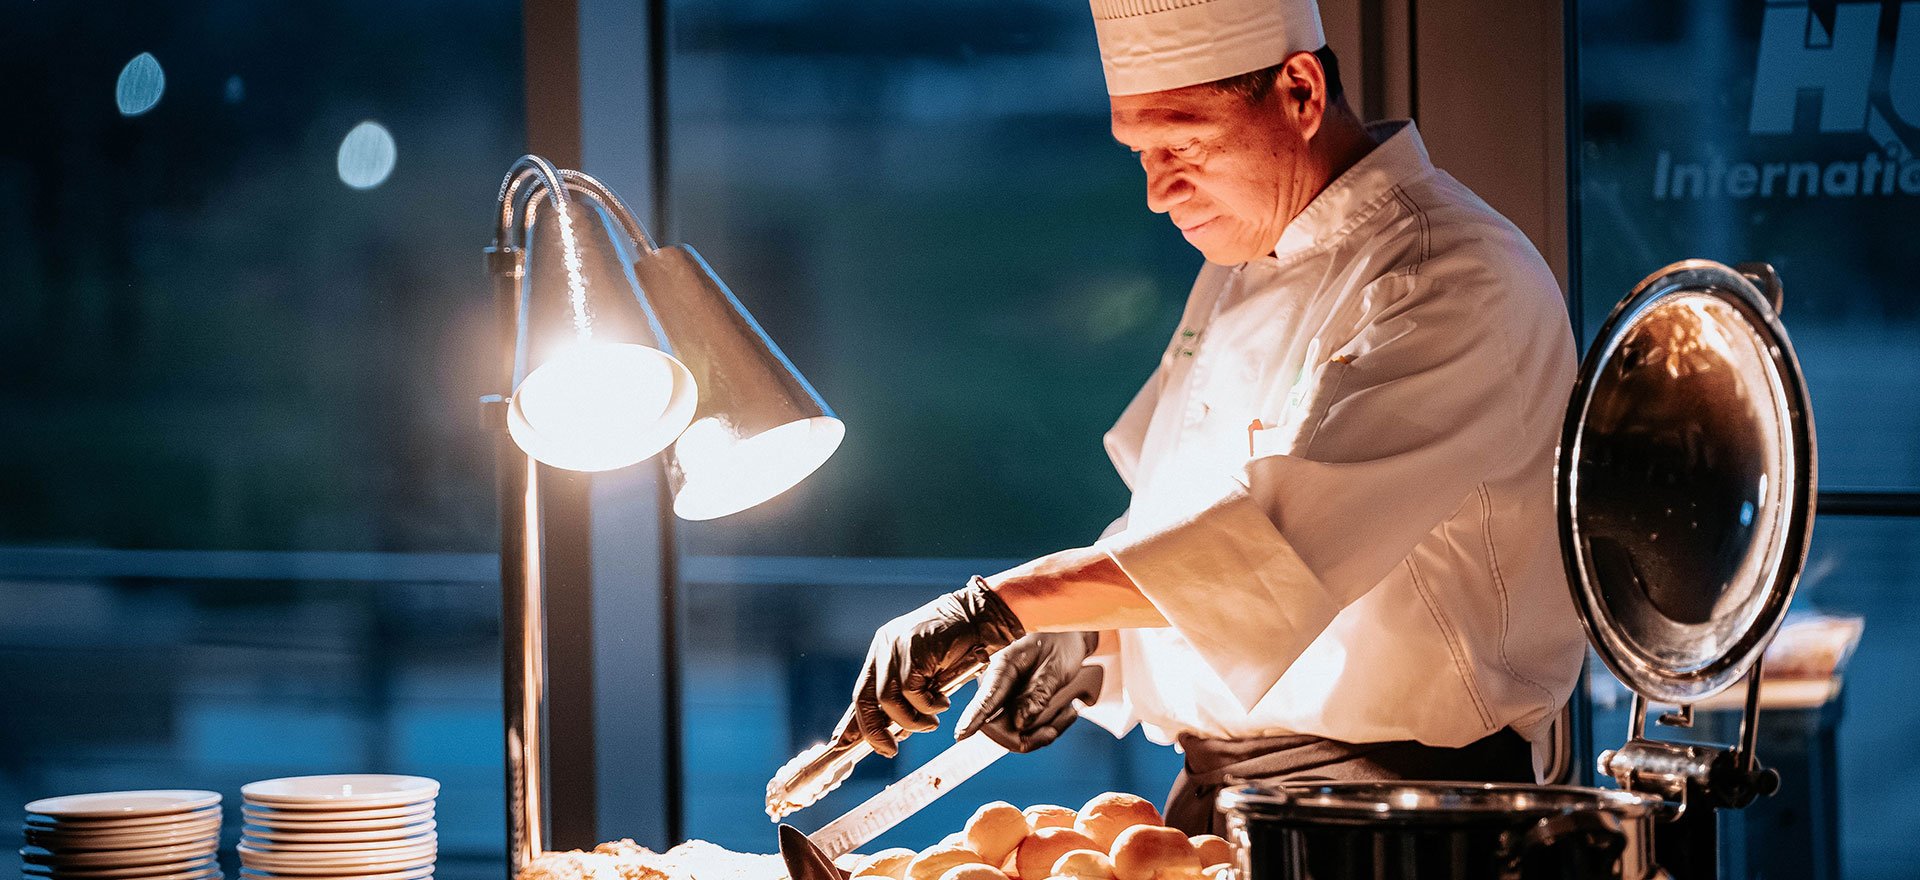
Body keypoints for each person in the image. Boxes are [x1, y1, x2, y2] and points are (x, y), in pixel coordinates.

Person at [833, 0, 1586, 835]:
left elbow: (1275, 547)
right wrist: (1088, 635)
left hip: (1400, 822)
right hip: (1221, 803)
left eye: (1183, 145)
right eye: (1141, 155)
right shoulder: (1245, 257)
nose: (1158, 194)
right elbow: (1179, 522)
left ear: (1300, 92)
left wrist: (1007, 603)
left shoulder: (1448, 274)